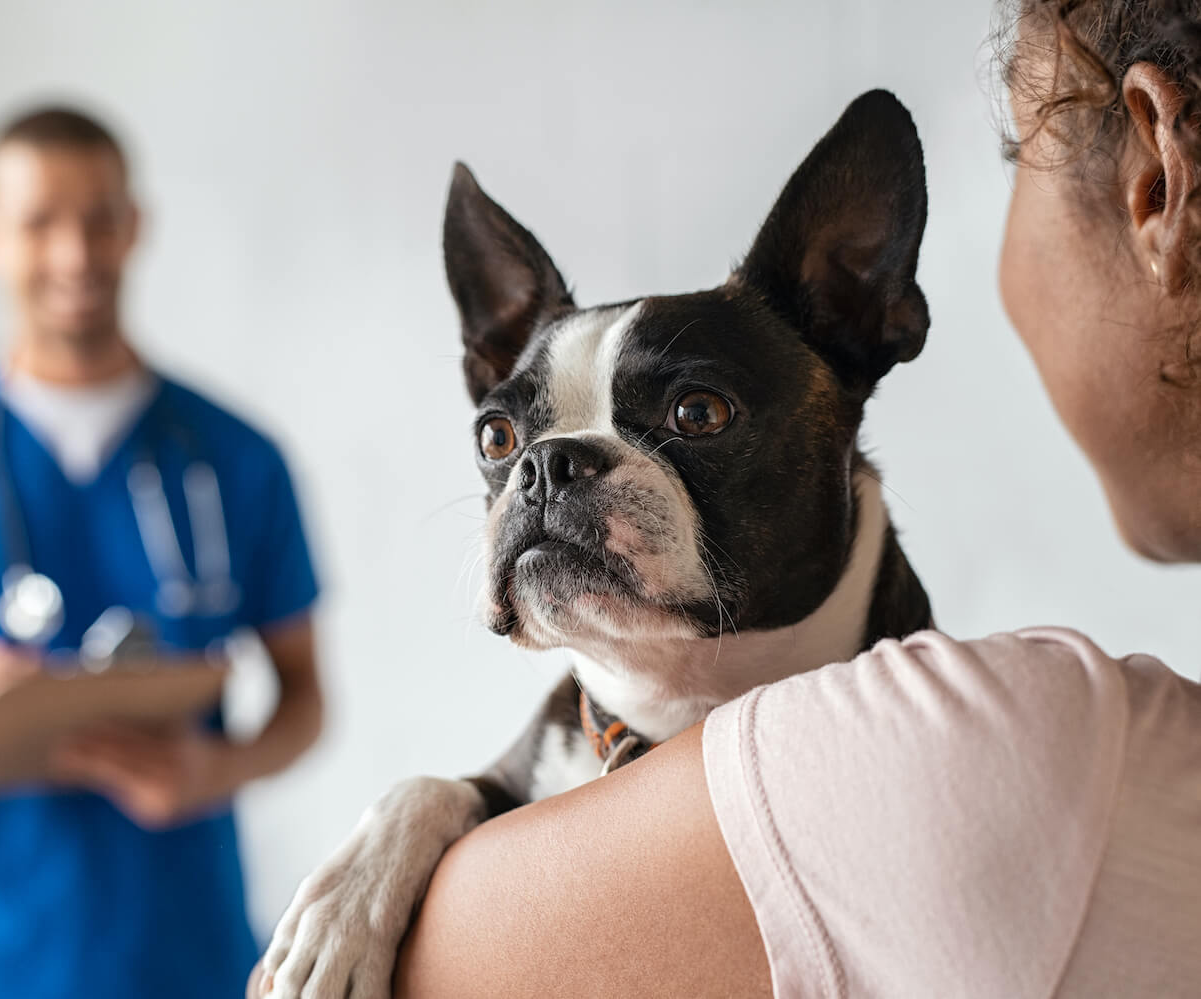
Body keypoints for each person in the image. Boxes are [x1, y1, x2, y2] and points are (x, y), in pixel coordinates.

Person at [385, 1, 1201, 996]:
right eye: (508, 438)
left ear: (1156, 180)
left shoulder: (975, 744)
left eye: (694, 414)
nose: (545, 473)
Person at [0, 107, 324, 999]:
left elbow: (305, 699)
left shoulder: (236, 459)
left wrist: (215, 768)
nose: (76, 255)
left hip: (183, 954)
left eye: (101, 218)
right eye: (41, 223)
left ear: (136, 226)